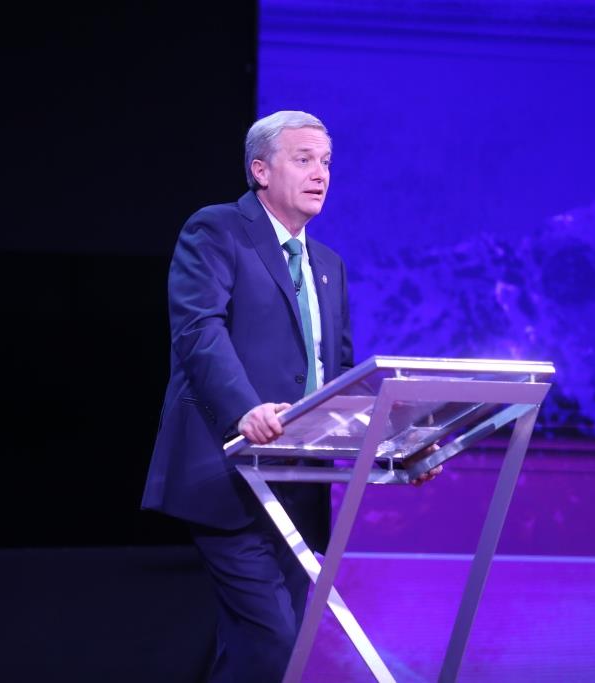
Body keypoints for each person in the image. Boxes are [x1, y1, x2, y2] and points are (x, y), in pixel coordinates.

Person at [141, 110, 437, 681]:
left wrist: (400, 447)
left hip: (299, 486)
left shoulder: (328, 265)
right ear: (261, 170)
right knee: (272, 642)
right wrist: (244, 410)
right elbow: (199, 330)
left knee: (266, 655)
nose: (320, 174)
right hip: (229, 477)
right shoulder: (217, 230)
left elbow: (339, 378)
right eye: (304, 160)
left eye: (326, 162)